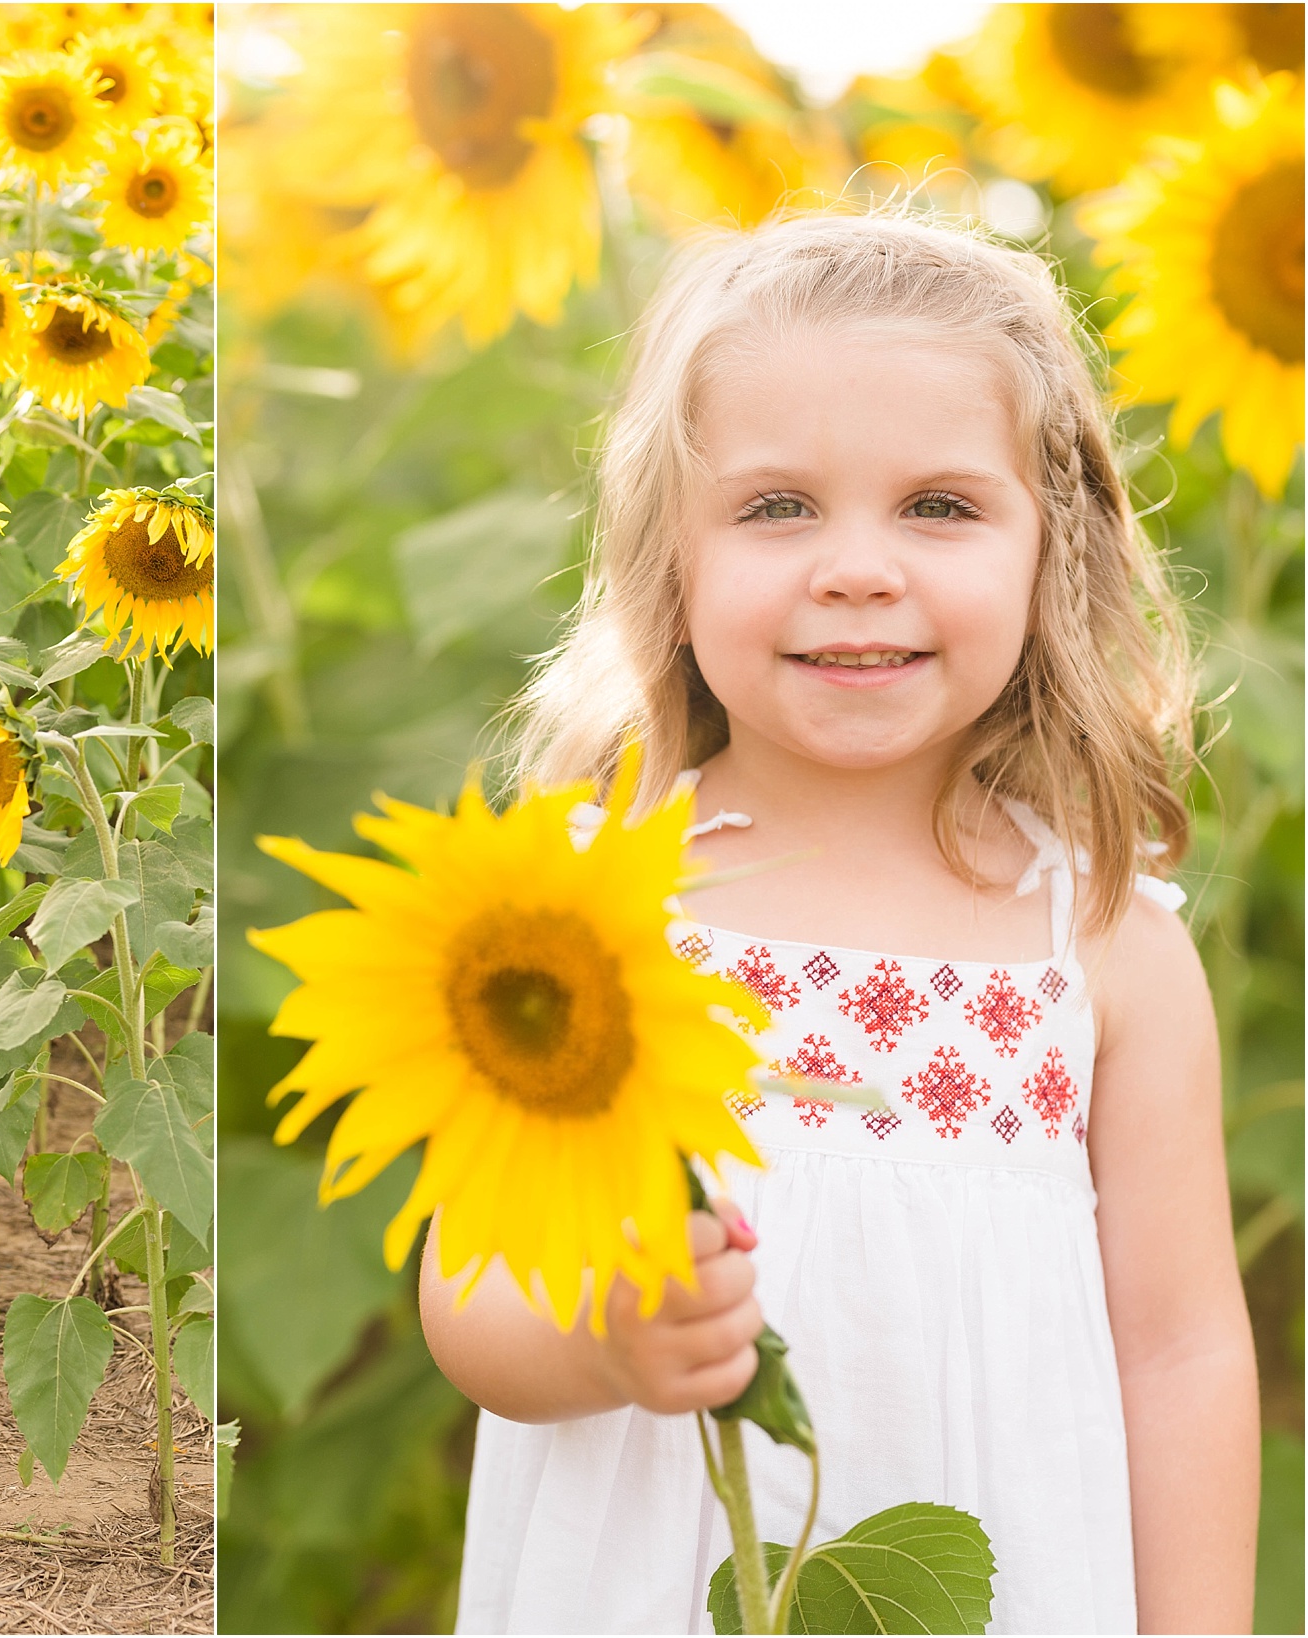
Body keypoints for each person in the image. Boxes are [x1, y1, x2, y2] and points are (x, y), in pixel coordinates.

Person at [427, 212, 1258, 1634]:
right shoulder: (588, 903)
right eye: (775, 507)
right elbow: (471, 1293)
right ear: (668, 560)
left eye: (938, 505)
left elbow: (1179, 1350)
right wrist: (606, 1339)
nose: (856, 566)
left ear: (1049, 546)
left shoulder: (1102, 937)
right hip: (651, 1573)